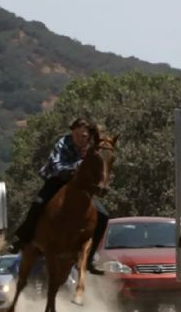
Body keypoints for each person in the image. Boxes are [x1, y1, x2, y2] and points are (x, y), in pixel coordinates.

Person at [8, 117, 108, 275]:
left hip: (80, 186)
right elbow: (56, 165)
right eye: (76, 135)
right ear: (72, 132)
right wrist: (77, 167)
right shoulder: (63, 143)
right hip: (58, 180)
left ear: (88, 136)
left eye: (83, 136)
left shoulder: (92, 148)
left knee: (103, 216)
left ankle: (89, 258)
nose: (79, 139)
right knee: (38, 203)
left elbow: (99, 168)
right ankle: (22, 239)